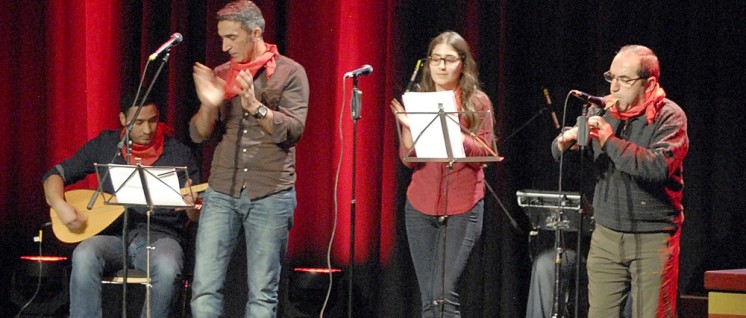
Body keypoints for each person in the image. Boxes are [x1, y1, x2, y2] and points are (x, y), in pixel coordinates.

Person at [188, 0, 309, 316]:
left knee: (262, 295)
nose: (225, 46)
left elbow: (294, 129)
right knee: (204, 289)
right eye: (222, 38)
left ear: (255, 32)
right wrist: (209, 104)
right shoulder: (221, 73)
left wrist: (256, 106)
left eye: (232, 37)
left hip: (270, 192)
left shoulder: (290, 72)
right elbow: (199, 133)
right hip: (221, 191)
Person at [552, 44, 688, 317]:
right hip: (606, 236)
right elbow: (562, 154)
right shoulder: (602, 112)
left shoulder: (669, 116)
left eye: (624, 80)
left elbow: (657, 167)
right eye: (611, 78)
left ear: (649, 83)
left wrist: (610, 141)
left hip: (652, 238)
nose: (614, 87)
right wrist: (564, 143)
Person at [42, 93, 200, 317]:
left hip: (160, 238)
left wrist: (191, 208)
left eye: (153, 120)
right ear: (123, 119)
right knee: (85, 253)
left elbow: (195, 215)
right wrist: (59, 204)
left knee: (167, 265)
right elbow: (55, 175)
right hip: (113, 236)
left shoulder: (179, 153)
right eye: (139, 122)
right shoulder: (107, 145)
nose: (148, 129)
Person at [389, 31, 495, 317]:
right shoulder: (420, 100)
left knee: (443, 294)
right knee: (429, 297)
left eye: (449, 60)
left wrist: (452, 132)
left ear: (463, 63)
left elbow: (483, 154)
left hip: (463, 206)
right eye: (435, 59)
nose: (441, 66)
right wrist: (409, 127)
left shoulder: (477, 102)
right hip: (420, 205)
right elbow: (409, 161)